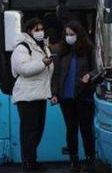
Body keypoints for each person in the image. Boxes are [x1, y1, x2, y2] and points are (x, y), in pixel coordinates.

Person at [51, 21, 96, 172]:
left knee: (86, 129)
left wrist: (89, 75)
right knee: (71, 129)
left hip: (83, 95)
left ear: (79, 34)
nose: (69, 37)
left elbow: (97, 69)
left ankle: (90, 159)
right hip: (66, 97)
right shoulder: (62, 51)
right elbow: (56, 74)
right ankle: (74, 161)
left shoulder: (89, 50)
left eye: (72, 34)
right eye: (67, 34)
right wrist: (55, 94)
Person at [11, 18, 54, 172]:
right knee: (29, 131)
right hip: (27, 96)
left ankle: (32, 160)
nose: (40, 32)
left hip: (40, 95)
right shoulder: (22, 48)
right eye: (36, 29)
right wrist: (43, 63)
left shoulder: (42, 46)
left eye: (41, 29)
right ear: (29, 31)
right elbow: (24, 69)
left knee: (38, 130)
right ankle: (28, 163)